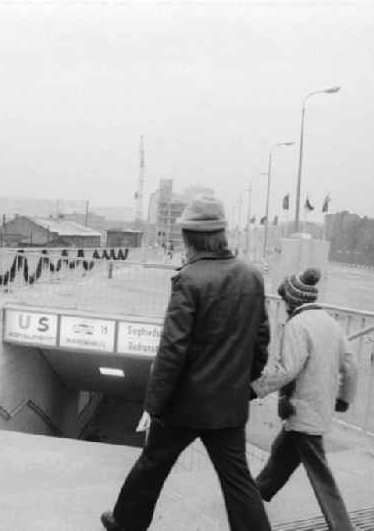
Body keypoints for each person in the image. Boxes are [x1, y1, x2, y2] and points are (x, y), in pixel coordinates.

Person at [101, 196, 271, 531]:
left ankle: (126, 524)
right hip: (228, 405)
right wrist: (242, 384)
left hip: (184, 405)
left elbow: (172, 351)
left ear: (189, 239)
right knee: (237, 480)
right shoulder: (251, 277)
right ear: (222, 234)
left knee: (153, 464)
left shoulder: (189, 280)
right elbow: (260, 342)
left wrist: (154, 404)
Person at [251, 268, 358, 530]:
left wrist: (256, 388)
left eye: (286, 299)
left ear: (293, 299)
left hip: (301, 408)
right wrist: (344, 398)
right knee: (282, 454)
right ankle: (253, 496)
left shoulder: (297, 325)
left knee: (320, 474)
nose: (285, 305)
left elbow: (288, 369)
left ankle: (342, 525)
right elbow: (351, 366)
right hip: (318, 408)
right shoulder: (331, 323)